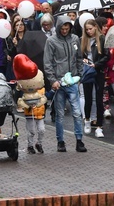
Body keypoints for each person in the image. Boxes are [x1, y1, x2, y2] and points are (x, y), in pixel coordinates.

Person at [44, 15, 87, 153]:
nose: (64, 30)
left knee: (76, 112)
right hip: (59, 82)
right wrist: (52, 80)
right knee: (60, 114)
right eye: (62, 28)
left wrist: (79, 75)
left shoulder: (75, 39)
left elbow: (79, 58)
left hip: (73, 80)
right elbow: (47, 62)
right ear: (58, 27)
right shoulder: (51, 41)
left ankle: (79, 140)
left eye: (67, 28)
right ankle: (60, 141)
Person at [80, 19, 109, 138]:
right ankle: (87, 120)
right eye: (86, 29)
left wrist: (96, 64)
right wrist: (84, 60)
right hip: (87, 71)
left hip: (98, 71)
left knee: (98, 99)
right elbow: (80, 56)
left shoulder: (102, 39)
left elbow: (107, 55)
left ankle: (99, 126)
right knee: (87, 98)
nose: (88, 31)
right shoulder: (83, 40)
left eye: (90, 29)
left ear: (95, 27)